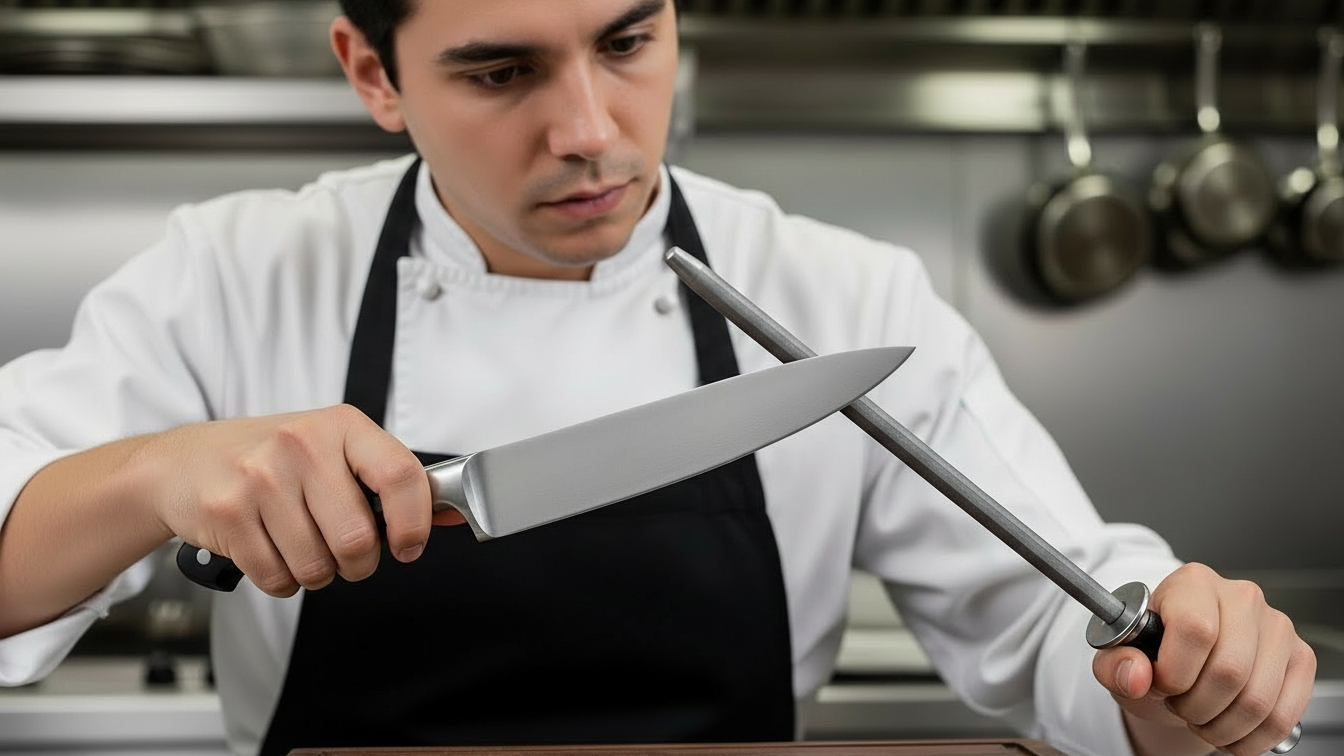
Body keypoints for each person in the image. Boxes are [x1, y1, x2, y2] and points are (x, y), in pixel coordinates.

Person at [0, 1, 1316, 755]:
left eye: (627, 42)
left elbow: (1058, 618)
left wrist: (1185, 674)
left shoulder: (833, 295)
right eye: (500, 71)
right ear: (370, 72)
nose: (588, 133)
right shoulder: (238, 273)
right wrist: (149, 478)